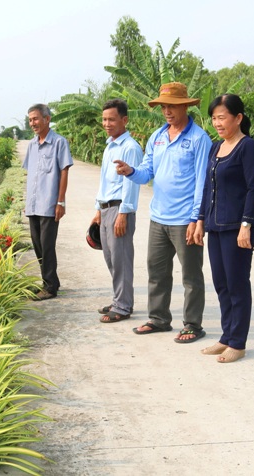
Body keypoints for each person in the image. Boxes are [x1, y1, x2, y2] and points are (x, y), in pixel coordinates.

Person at [114, 82, 211, 342]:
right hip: (158, 218)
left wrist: (196, 219)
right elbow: (147, 172)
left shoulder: (199, 139)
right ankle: (158, 319)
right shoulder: (157, 136)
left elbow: (203, 181)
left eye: (172, 106)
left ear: (185, 106)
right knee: (156, 272)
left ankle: (192, 324)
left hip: (185, 221)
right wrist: (130, 171)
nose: (167, 111)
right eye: (164, 106)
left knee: (191, 275)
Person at [193, 94, 254, 363]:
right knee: (221, 283)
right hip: (215, 225)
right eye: (214, 118)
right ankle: (226, 336)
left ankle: (238, 342)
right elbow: (207, 187)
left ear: (238, 118)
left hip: (237, 227)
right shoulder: (214, 147)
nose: (217, 123)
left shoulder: (248, 147)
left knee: (237, 284)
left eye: (222, 117)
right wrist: (200, 220)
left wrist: (247, 224)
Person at [91, 99, 143, 323]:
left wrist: (124, 213)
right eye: (104, 119)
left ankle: (122, 306)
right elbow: (104, 181)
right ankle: (119, 300)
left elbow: (131, 183)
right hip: (105, 209)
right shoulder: (109, 146)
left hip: (119, 209)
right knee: (111, 258)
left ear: (124, 120)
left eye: (111, 119)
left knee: (121, 258)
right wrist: (97, 210)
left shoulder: (130, 148)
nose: (107, 123)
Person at [22, 104, 74, 300]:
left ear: (47, 119)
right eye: (30, 120)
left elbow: (64, 171)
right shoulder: (31, 145)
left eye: (35, 119)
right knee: (37, 245)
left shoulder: (59, 143)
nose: (32, 123)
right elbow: (31, 175)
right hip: (33, 205)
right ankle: (48, 282)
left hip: (49, 204)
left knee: (47, 245)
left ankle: (50, 287)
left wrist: (60, 202)